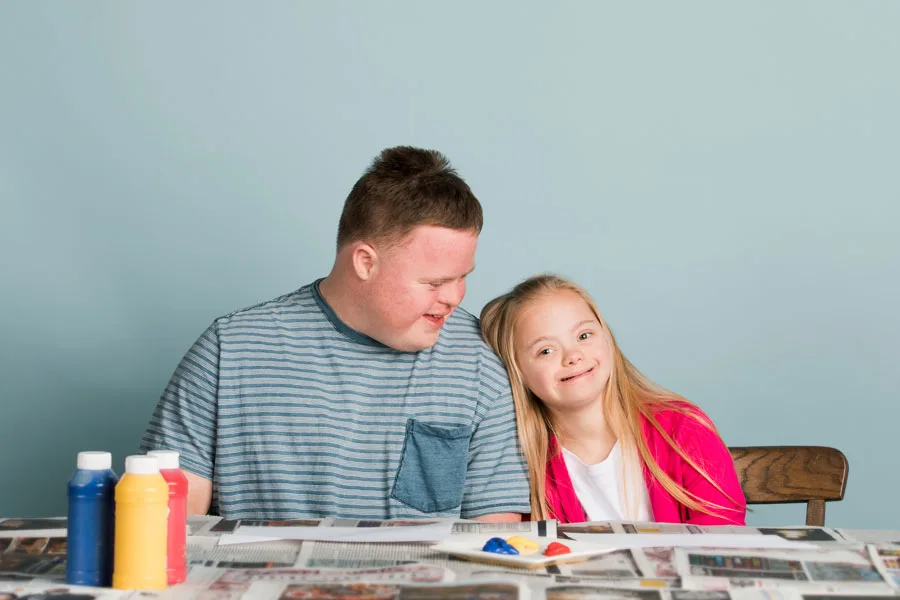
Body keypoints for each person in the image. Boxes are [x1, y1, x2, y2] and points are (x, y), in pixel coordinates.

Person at [141, 146, 530, 521]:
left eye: (463, 277)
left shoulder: (482, 359)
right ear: (365, 262)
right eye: (434, 282)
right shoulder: (229, 350)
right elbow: (168, 528)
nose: (455, 297)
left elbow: (492, 539)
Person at [480, 274, 746, 524]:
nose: (573, 355)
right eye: (546, 350)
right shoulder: (521, 465)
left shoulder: (683, 429)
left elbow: (722, 537)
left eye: (584, 336)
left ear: (607, 337)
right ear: (517, 372)